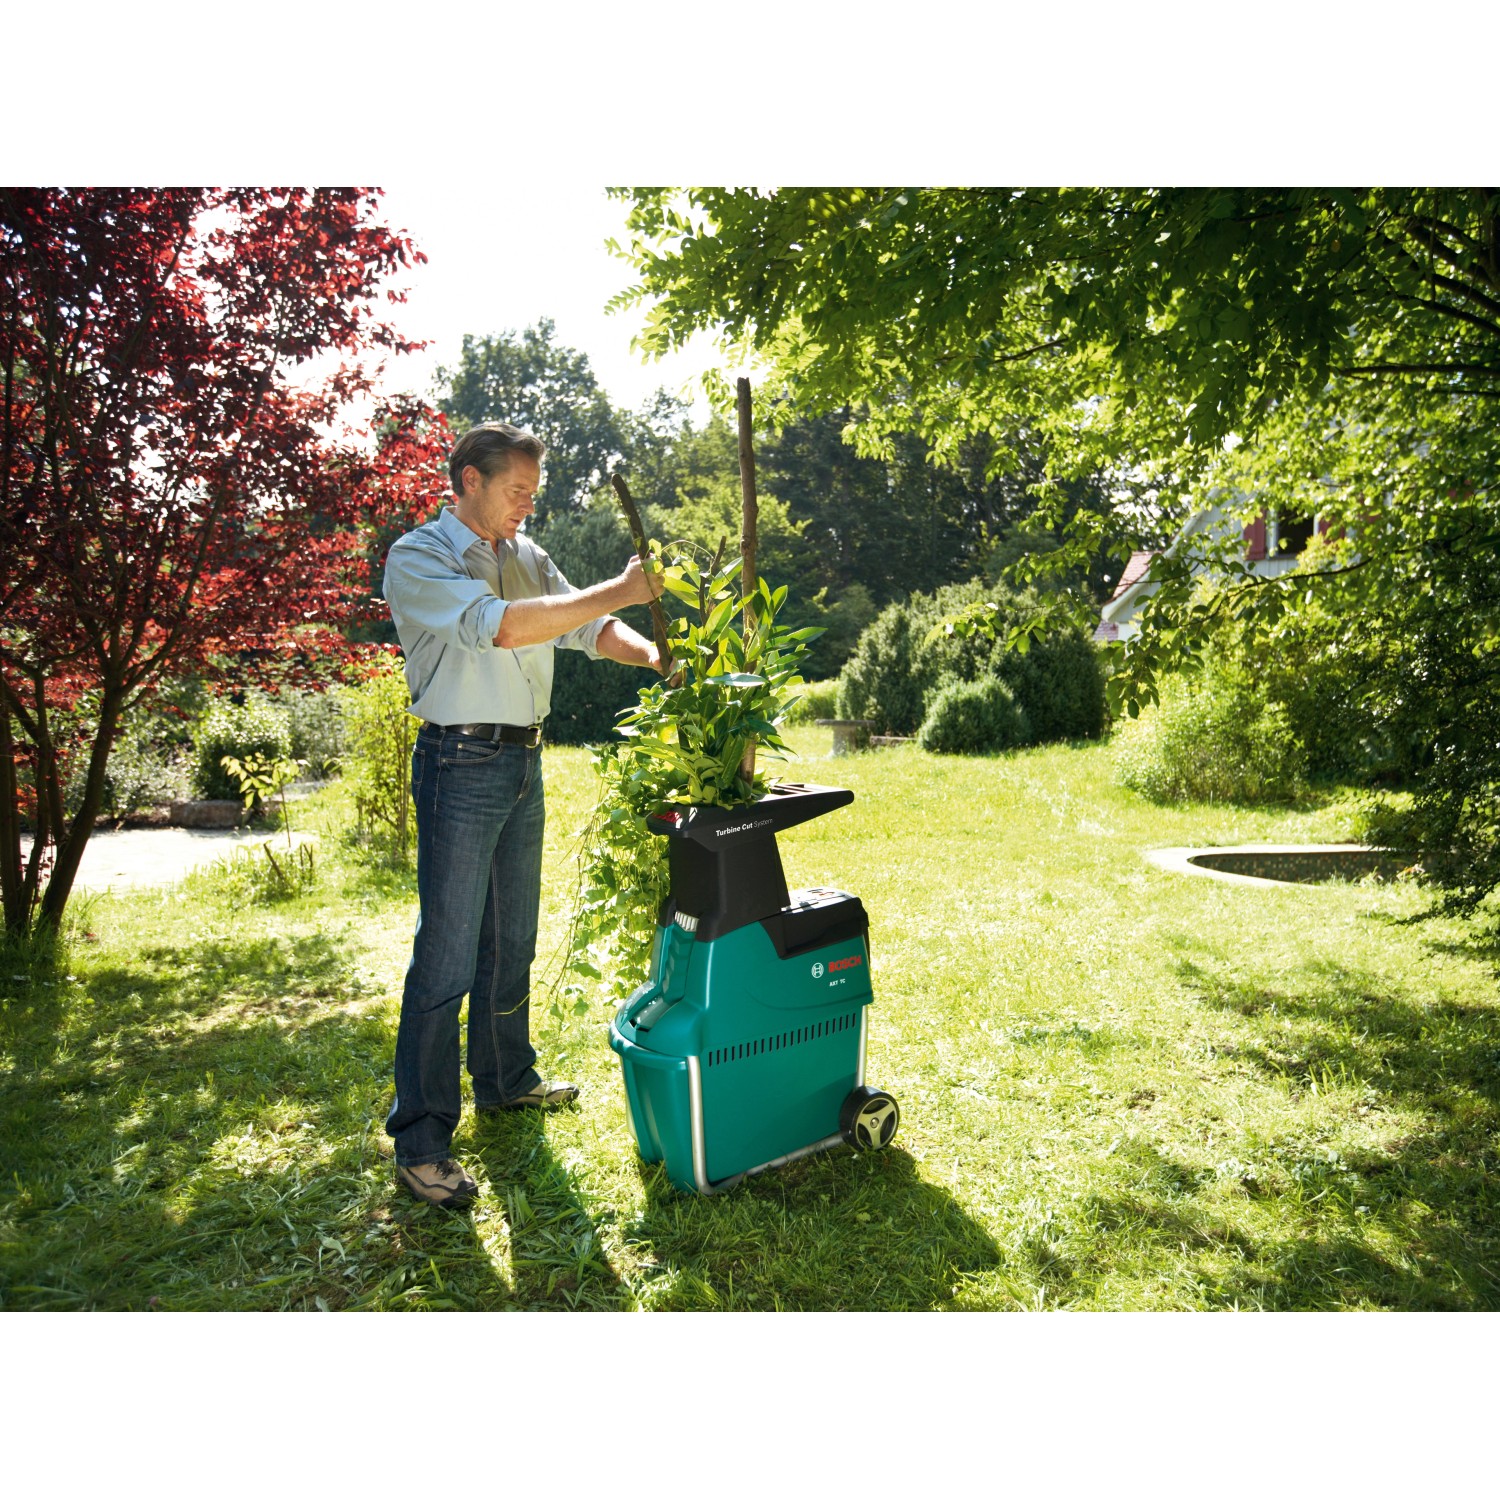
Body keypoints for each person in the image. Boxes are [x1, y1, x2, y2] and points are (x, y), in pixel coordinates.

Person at [380, 421, 665, 1207]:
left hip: (522, 762)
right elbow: (502, 627)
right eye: (516, 492)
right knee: (447, 956)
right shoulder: (420, 556)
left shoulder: (527, 556)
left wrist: (653, 654)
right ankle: (422, 1141)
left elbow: (587, 626)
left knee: (513, 938)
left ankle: (507, 1079)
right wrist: (622, 587)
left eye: (534, 495)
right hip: (459, 762)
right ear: (469, 480)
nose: (526, 507)